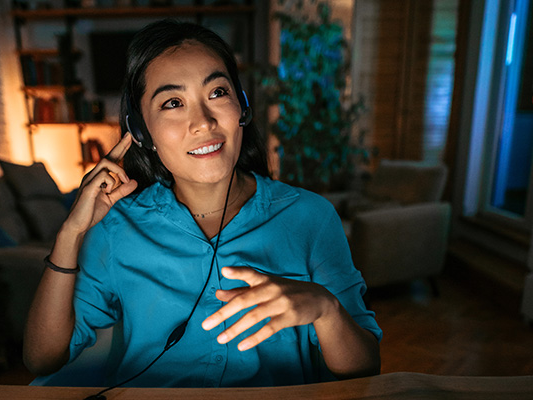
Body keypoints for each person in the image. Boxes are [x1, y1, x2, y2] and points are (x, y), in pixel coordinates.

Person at [23, 19, 381, 389]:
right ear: (142, 130)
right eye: (173, 103)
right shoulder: (118, 228)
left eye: (217, 93)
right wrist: (72, 232)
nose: (203, 122)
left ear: (241, 107)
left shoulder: (310, 217)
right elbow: (43, 359)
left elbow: (365, 368)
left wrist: (326, 309)